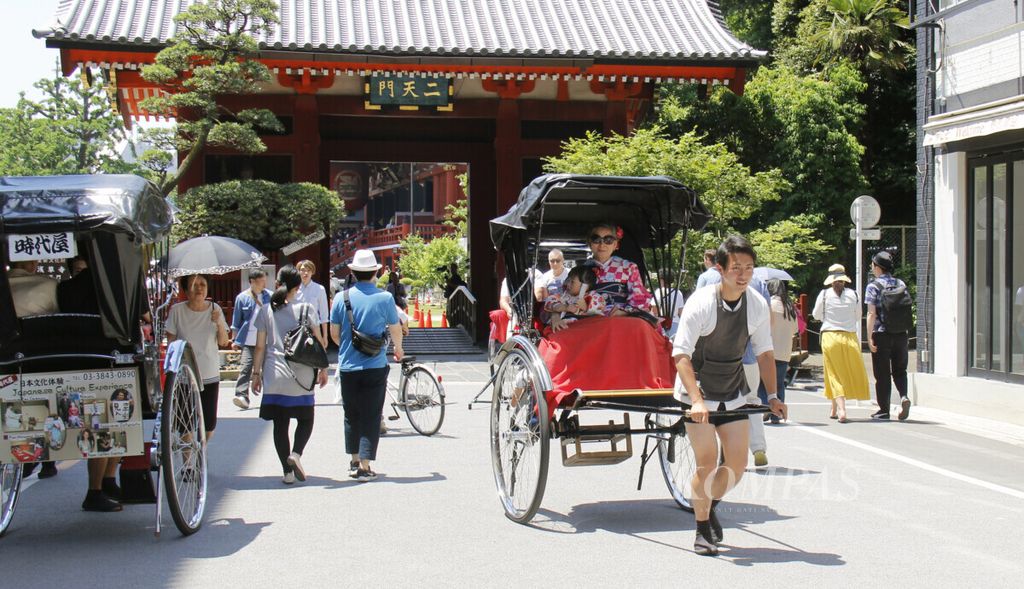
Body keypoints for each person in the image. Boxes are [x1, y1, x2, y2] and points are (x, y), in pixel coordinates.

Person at [672, 235, 787, 556]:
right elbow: (681, 355)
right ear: (720, 269)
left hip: (734, 390)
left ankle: (709, 506)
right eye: (736, 267)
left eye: (749, 267)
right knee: (707, 463)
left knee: (736, 464)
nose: (744, 273)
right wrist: (695, 399)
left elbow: (765, 352)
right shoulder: (701, 302)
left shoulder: (756, 303)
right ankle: (702, 528)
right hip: (698, 389)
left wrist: (774, 395)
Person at [330, 249, 404, 482]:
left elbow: (334, 334)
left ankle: (353, 461)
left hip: (349, 366)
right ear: (376, 273)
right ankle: (365, 465)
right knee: (371, 415)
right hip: (375, 363)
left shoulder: (341, 299)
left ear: (352, 272)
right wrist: (398, 348)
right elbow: (394, 327)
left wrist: (349, 347)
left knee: (351, 415)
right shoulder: (385, 298)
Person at [251, 265, 328, 485]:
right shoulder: (306, 309)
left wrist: (255, 374)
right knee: (306, 418)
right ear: (297, 287)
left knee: (280, 424)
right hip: (302, 373)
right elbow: (318, 342)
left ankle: (287, 472)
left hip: (275, 373)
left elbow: (259, 347)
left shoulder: (266, 310)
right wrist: (323, 368)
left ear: (278, 284)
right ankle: (296, 454)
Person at [691, 265, 773, 465]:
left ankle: (726, 450)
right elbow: (767, 318)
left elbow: (692, 314)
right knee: (750, 401)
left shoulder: (707, 278)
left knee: (715, 403)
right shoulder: (757, 281)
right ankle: (758, 448)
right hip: (749, 355)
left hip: (712, 358)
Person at [165, 274, 231, 441]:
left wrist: (219, 323)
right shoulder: (177, 311)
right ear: (186, 290)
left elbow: (224, 342)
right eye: (194, 285)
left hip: (209, 373)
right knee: (185, 422)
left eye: (203, 284)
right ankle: (188, 463)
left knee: (209, 424)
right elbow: (171, 342)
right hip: (185, 375)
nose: (199, 288)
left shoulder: (215, 309)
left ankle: (200, 453)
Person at [812, 264, 871, 422]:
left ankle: (842, 409)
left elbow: (816, 315)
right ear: (844, 280)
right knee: (844, 371)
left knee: (833, 373)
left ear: (831, 280)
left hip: (830, 336)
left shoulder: (824, 294)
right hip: (850, 337)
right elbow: (858, 315)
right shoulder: (854, 294)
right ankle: (833, 407)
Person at [865, 251, 911, 420]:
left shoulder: (873, 286)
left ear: (877, 267)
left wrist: (869, 337)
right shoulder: (901, 283)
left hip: (882, 334)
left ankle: (884, 410)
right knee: (900, 370)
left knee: (882, 373)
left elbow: (871, 313)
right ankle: (904, 396)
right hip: (901, 334)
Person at [583, 222, 653, 316]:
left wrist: (625, 312)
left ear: (615, 244)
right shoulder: (582, 270)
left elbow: (639, 299)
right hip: (590, 318)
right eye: (596, 239)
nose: (602, 244)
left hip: (621, 317)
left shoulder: (628, 267)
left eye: (608, 240)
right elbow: (570, 296)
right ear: (589, 243)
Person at [758, 279, 799, 424]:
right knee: (779, 383)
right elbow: (796, 329)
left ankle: (765, 410)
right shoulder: (790, 307)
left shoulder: (769, 305)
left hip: (769, 350)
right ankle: (778, 414)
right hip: (784, 351)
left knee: (763, 382)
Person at [230, 269, 270, 410]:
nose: (264, 283)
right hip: (248, 339)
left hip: (265, 340)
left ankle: (269, 397)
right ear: (252, 281)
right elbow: (237, 321)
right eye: (261, 280)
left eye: (265, 279)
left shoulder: (269, 296)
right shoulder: (242, 298)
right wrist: (234, 339)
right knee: (245, 367)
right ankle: (242, 395)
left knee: (267, 369)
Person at [544, 264, 601, 331]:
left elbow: (600, 309)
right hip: (563, 327)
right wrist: (564, 307)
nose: (568, 284)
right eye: (568, 280)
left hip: (584, 328)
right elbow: (550, 300)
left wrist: (586, 307)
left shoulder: (593, 297)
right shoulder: (564, 295)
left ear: (585, 286)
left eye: (572, 282)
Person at [295, 259, 330, 351]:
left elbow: (324, 314)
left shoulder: (319, 289)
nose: (305, 273)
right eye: (302, 270)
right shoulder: (294, 289)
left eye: (308, 270)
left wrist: (325, 336)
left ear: (312, 272)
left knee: (317, 358)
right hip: (297, 328)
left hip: (315, 329)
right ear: (298, 271)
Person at [653, 269, 685, 338]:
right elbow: (681, 312)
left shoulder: (659, 291)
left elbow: (654, 310)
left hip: (662, 323)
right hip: (675, 323)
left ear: (662, 280)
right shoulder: (678, 292)